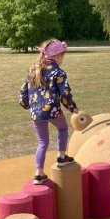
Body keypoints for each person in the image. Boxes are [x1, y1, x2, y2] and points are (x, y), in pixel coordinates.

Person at [19, 38, 79, 184]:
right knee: (63, 128)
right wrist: (72, 107)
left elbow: (23, 90)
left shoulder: (34, 69)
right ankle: (61, 157)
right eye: (62, 56)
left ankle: (38, 173)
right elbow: (65, 93)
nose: (62, 59)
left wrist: (26, 104)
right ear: (57, 56)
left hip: (36, 112)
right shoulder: (58, 72)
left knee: (42, 142)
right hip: (52, 110)